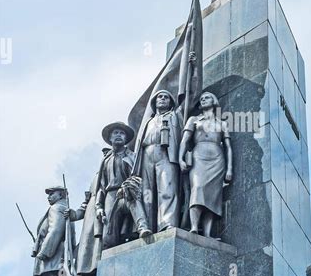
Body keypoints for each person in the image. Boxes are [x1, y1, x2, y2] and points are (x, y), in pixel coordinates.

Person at [179, 92, 233, 237]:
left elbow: (228, 147)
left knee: (212, 197)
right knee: (197, 188)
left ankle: (208, 234)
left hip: (217, 159)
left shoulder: (222, 123)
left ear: (214, 100)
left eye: (206, 97)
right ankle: (194, 227)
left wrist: (229, 169)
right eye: (201, 99)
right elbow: (184, 141)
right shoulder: (194, 120)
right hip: (198, 157)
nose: (203, 100)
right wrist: (180, 159)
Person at [131, 91, 184, 234]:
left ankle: (167, 223)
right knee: (147, 192)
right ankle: (146, 226)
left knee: (167, 188)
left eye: (166, 97)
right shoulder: (148, 121)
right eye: (160, 97)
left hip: (166, 153)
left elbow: (190, 98)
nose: (162, 99)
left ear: (171, 103)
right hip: (147, 154)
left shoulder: (176, 115)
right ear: (154, 102)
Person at [95, 122, 136, 248]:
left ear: (126, 139)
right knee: (109, 236)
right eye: (115, 133)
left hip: (130, 193)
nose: (119, 135)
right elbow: (101, 186)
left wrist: (128, 188)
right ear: (110, 138)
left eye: (122, 133)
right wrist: (99, 206)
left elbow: (138, 176)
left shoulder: (133, 156)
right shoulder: (106, 160)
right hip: (110, 196)